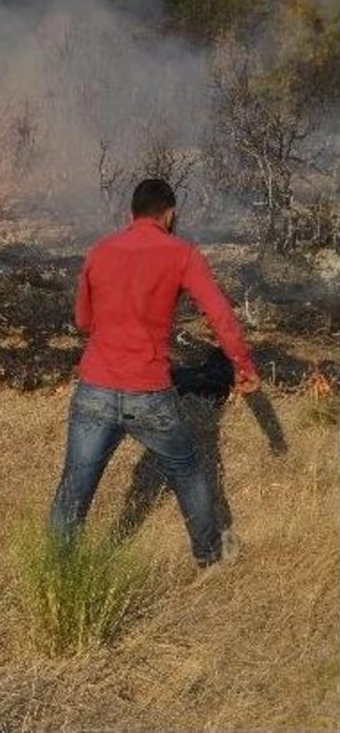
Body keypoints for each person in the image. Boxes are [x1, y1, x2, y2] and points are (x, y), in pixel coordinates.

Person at [48, 179, 261, 567]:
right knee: (187, 470)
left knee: (75, 484)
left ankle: (57, 570)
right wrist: (243, 366)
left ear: (130, 214)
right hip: (148, 392)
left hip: (95, 387)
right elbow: (221, 317)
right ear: (170, 214)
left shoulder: (100, 251)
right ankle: (211, 554)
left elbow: (83, 321)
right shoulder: (182, 254)